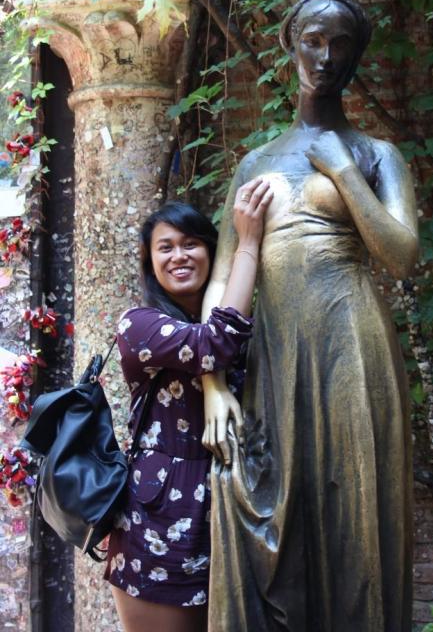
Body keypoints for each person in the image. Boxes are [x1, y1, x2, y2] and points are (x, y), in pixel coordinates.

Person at [201, 0, 419, 631]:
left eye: (340, 44)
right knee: (269, 502)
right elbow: (222, 279)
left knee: (359, 512)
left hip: (352, 343)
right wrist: (214, 384)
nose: (325, 57)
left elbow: (401, 255)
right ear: (291, 46)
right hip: (275, 349)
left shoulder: (377, 155)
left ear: (356, 56)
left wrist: (345, 173)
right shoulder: (256, 161)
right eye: (313, 40)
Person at [104, 177, 273, 632]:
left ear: (211, 254)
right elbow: (212, 344)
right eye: (166, 248)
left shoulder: (250, 326)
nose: (179, 256)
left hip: (234, 507)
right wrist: (248, 243)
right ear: (150, 262)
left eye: (191, 244)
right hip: (163, 516)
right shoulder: (139, 325)